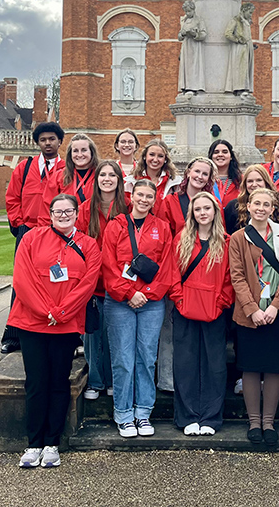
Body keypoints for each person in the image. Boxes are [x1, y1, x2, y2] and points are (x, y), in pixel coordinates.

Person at [8, 193, 101, 469]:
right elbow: (22, 278)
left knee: (59, 382)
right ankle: (33, 442)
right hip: (32, 322)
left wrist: (61, 312)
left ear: (76, 213)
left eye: (68, 211)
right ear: (50, 213)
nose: (63, 215)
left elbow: (87, 283)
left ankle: (52, 443)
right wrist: (45, 310)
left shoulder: (89, 244)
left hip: (66, 323)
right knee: (36, 382)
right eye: (58, 211)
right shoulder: (32, 238)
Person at [101, 180, 176, 437]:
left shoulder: (162, 228)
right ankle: (123, 413)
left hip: (151, 303)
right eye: (140, 195)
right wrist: (128, 292)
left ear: (155, 200)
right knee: (123, 359)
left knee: (146, 358)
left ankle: (143, 412)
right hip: (120, 302)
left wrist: (146, 294)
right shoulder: (116, 226)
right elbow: (108, 265)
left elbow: (167, 267)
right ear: (133, 197)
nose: (144, 200)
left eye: (149, 196)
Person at [228, 187, 279, 449]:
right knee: (251, 366)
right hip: (249, 312)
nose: (261, 208)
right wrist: (252, 308)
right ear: (248, 205)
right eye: (257, 203)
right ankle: (254, 421)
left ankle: (269, 421)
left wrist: (276, 306)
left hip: (275, 312)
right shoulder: (237, 238)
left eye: (266, 204)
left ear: (273, 208)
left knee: (274, 366)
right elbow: (237, 276)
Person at [168, 192, 234, 435]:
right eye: (198, 209)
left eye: (208, 208)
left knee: (214, 366)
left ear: (215, 212)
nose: (203, 213)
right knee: (185, 365)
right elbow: (172, 274)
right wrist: (180, 299)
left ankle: (210, 417)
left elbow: (230, 278)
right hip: (186, 309)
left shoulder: (226, 241)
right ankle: (187, 417)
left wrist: (221, 303)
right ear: (192, 213)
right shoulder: (181, 239)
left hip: (214, 311)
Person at [1, 121, 65, 354]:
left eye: (52, 139)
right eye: (43, 140)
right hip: (28, 230)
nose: (47, 143)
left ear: (60, 141)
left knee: (59, 281)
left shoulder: (65, 168)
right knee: (21, 282)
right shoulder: (25, 167)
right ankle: (13, 335)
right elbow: (12, 198)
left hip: (56, 231)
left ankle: (62, 331)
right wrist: (19, 224)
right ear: (37, 143)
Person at [155, 156, 217, 393]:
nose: (200, 177)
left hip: (203, 275)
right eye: (197, 171)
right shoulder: (171, 201)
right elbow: (163, 237)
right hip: (176, 270)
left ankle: (193, 380)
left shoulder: (210, 202)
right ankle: (168, 381)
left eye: (205, 174)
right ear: (188, 171)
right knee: (170, 329)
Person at [76, 161, 129, 401]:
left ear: (119, 179)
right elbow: (77, 245)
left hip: (119, 283)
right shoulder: (86, 209)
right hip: (93, 283)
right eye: (103, 175)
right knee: (92, 336)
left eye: (112, 175)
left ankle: (111, 381)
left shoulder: (128, 206)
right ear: (96, 179)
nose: (107, 179)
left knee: (114, 337)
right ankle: (96, 381)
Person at [39, 134, 100, 223]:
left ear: (91, 152)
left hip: (96, 230)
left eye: (84, 150)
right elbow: (46, 210)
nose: (79, 155)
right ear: (70, 154)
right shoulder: (58, 177)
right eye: (75, 151)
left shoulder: (102, 176)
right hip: (66, 231)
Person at [224, 164, 279, 234]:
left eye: (259, 180)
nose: (254, 184)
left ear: (266, 182)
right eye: (250, 181)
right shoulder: (233, 206)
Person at [208, 139, 241, 207]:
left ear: (231, 156)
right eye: (216, 152)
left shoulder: (241, 180)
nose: (220, 154)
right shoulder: (205, 180)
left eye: (225, 152)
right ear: (211, 156)